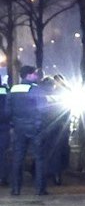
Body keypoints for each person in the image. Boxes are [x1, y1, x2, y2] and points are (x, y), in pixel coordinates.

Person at [6, 66, 53, 197]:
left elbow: (7, 111)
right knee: (39, 158)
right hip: (35, 127)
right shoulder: (36, 89)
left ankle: (15, 189)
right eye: (34, 74)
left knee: (17, 158)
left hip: (18, 128)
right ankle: (40, 189)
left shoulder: (13, 89)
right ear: (28, 75)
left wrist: (14, 123)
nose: (36, 76)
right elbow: (44, 109)